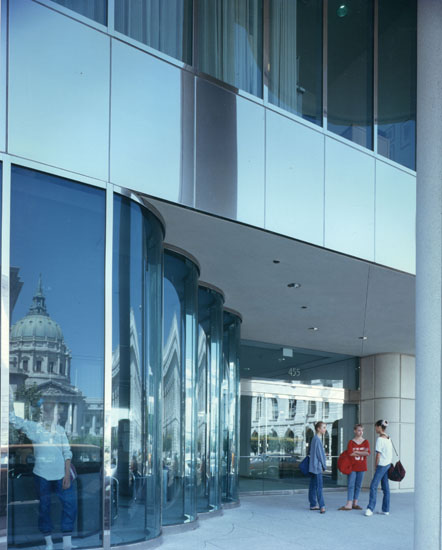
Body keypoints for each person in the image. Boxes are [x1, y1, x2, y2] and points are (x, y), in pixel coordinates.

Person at [10, 393, 77, 549]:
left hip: (61, 475)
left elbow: (67, 453)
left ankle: (67, 543)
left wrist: (67, 474)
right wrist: (9, 401)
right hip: (42, 475)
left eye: (55, 412)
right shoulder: (34, 428)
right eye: (52, 412)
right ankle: (49, 542)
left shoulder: (60, 430)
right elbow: (14, 420)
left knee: (69, 505)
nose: (56, 415)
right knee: (44, 508)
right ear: (45, 413)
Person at [364, 419, 393, 516]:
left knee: (373, 486)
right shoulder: (388, 437)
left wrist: (375, 465)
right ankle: (385, 510)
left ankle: (370, 509)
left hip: (382, 465)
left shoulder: (380, 439)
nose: (375, 428)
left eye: (376, 426)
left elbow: (378, 455)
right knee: (385, 488)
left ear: (379, 427)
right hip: (388, 464)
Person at [338, 424, 370, 510]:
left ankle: (355, 503)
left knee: (358, 485)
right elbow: (350, 453)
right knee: (351, 485)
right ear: (355, 431)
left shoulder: (365, 442)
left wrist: (356, 452)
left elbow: (367, 453)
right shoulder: (351, 442)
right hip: (352, 466)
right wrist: (362, 451)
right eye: (359, 430)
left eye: (362, 430)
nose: (361, 432)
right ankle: (349, 503)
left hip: (362, 466)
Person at [308, 421, 327, 514]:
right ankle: (322, 506)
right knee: (319, 486)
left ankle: (312, 504)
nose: (325, 429)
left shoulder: (314, 439)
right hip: (317, 467)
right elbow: (320, 454)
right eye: (323, 427)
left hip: (312, 466)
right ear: (318, 429)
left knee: (313, 486)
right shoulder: (318, 439)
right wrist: (324, 465)